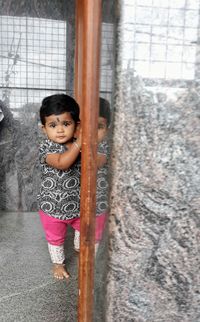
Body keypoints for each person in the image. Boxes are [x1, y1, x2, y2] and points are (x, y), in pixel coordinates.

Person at [37, 94, 81, 280]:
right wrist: (79, 142)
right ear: (44, 129)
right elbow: (63, 163)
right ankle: (58, 265)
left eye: (66, 124)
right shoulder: (46, 147)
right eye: (53, 125)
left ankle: (80, 247)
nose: (60, 130)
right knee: (56, 239)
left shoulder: (80, 145)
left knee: (83, 231)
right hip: (52, 207)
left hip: (78, 205)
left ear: (77, 125)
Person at [73, 97, 111, 254]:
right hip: (75, 203)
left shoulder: (106, 147)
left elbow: (96, 161)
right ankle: (78, 242)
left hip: (98, 204)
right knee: (79, 229)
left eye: (99, 127)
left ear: (107, 130)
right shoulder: (72, 145)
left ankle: (91, 255)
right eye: (85, 126)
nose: (91, 132)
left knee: (95, 234)